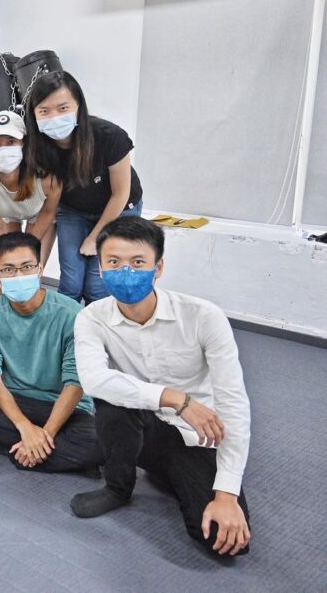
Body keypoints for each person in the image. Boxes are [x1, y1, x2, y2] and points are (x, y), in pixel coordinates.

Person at [70, 218, 252, 557]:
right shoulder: (92, 318)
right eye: (114, 262)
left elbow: (234, 405)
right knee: (111, 403)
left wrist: (226, 494)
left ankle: (173, 471)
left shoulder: (203, 317)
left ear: (159, 267)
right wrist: (175, 398)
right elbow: (93, 379)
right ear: (100, 267)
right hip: (144, 423)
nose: (125, 271)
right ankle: (118, 487)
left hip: (197, 435)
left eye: (138, 262)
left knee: (222, 542)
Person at [0, 232, 102, 473]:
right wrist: (24, 426)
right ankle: (53, 454)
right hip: (18, 402)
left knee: (101, 441)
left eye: (26, 267)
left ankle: (4, 448)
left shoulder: (72, 315)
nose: (19, 275)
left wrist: (46, 432)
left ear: (40, 269)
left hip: (63, 405)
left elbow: (75, 384)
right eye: (9, 269)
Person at [23, 71, 144, 304]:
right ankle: (69, 334)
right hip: (73, 210)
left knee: (97, 286)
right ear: (34, 114)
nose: (54, 117)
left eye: (63, 108)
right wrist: (34, 267)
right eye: (44, 111)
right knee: (70, 283)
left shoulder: (109, 136)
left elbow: (120, 194)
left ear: (79, 106)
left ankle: (98, 334)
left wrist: (95, 237)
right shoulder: (36, 148)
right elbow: (44, 214)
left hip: (120, 207)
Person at [0, 111, 60, 294]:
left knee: (31, 271)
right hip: (4, 218)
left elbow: (48, 213)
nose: (3, 149)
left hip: (39, 215)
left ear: (23, 143)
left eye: (11, 142)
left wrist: (25, 260)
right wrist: (10, 265)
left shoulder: (47, 177)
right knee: (4, 274)